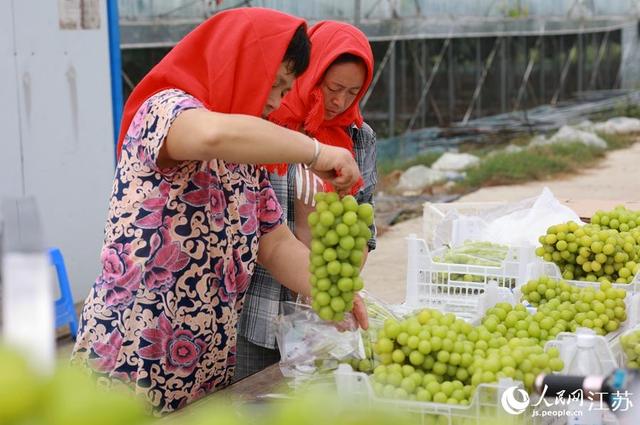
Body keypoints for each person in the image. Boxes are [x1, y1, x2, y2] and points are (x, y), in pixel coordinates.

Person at [71, 8, 368, 414]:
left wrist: (331, 290)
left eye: (286, 89)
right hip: (133, 356)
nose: (275, 101)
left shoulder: (245, 163)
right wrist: (316, 151)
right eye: (274, 84)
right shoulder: (166, 109)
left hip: (205, 363)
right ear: (240, 64)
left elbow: (277, 243)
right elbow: (210, 135)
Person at [236, 21, 378, 381]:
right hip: (258, 310)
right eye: (333, 88)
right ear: (312, 74)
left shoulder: (359, 138)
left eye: (353, 92)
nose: (340, 101)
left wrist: (338, 285)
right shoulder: (266, 128)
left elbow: (363, 225)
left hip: (322, 312)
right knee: (251, 402)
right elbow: (256, 228)